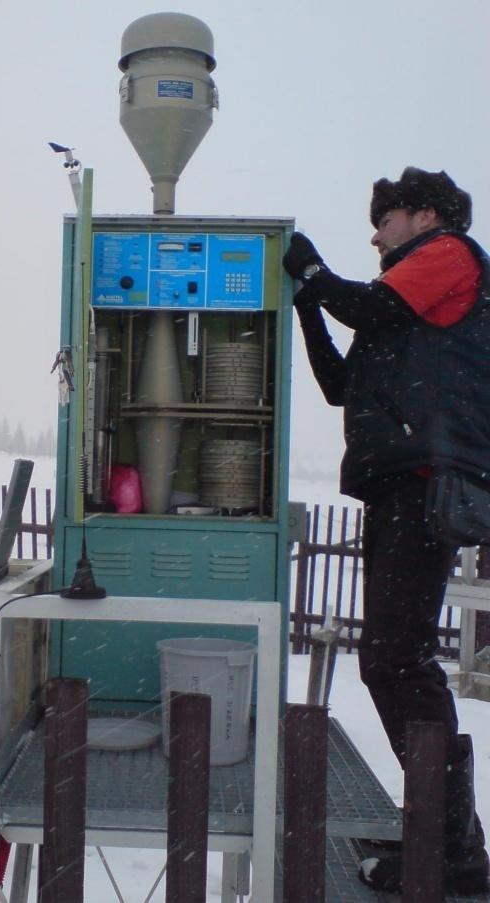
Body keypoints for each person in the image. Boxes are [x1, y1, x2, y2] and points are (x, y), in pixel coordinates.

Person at [283, 167, 490, 895]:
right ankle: (440, 828)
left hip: (426, 481)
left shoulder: (449, 256)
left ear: (424, 213)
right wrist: (305, 303)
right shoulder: (403, 306)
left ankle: (452, 847)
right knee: (388, 658)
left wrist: (312, 270)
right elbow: (340, 383)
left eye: (385, 218)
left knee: (398, 658)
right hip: (398, 483)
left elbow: (363, 306)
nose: (375, 234)